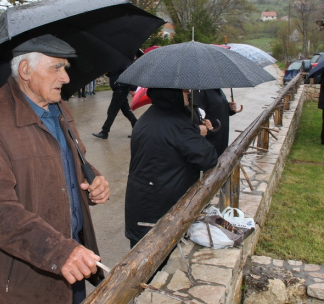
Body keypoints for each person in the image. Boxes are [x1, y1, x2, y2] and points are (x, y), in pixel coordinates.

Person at [0, 34, 110, 304]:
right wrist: (58, 250)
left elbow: (68, 161)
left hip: (72, 261)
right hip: (28, 276)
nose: (66, 78)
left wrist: (95, 179)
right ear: (25, 71)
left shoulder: (60, 108)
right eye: (57, 68)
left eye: (66, 68)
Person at [125, 88, 218, 247]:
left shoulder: (150, 117)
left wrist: (194, 129)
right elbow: (208, 157)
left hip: (142, 201)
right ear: (171, 93)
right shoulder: (178, 124)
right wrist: (197, 132)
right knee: (155, 256)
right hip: (160, 206)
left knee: (142, 250)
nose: (188, 92)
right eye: (184, 90)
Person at [92, 63, 137, 139]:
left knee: (111, 111)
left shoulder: (123, 62)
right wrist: (108, 73)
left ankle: (104, 132)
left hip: (121, 89)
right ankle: (137, 129)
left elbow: (130, 73)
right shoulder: (117, 62)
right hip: (119, 89)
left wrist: (133, 88)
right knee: (127, 111)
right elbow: (115, 75)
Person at [193, 89, 238, 156]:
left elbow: (217, 107)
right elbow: (198, 113)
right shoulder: (202, 91)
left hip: (222, 136)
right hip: (212, 138)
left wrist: (229, 108)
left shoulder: (218, 90)